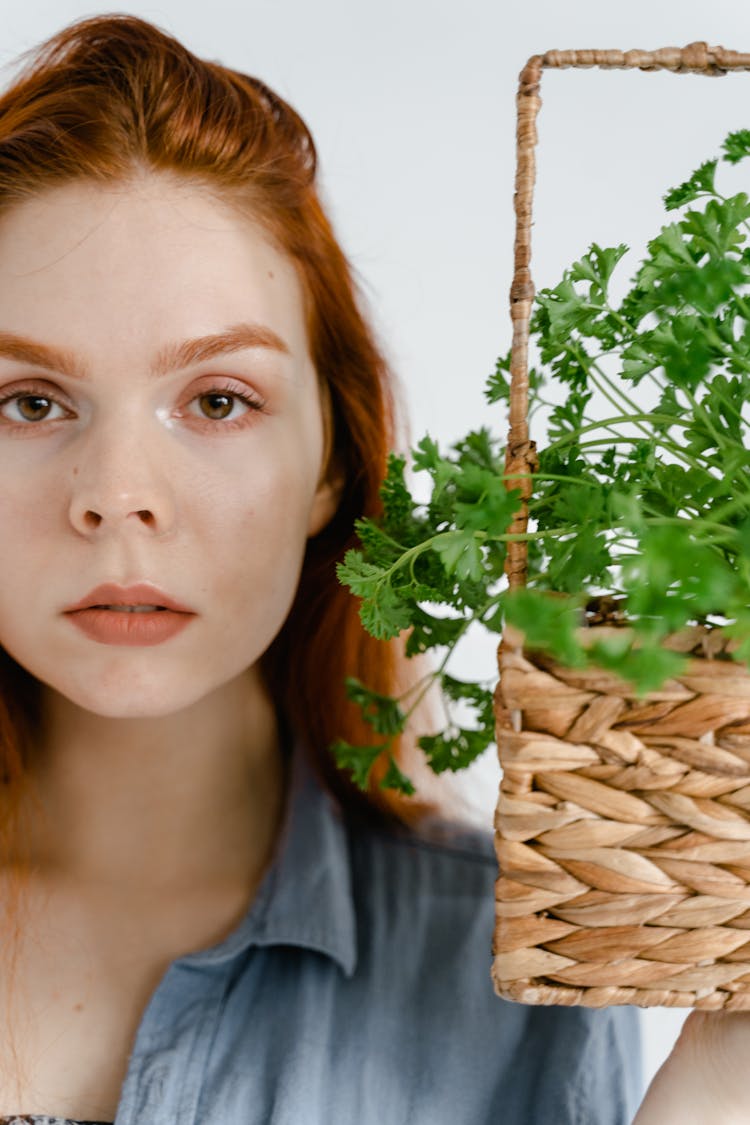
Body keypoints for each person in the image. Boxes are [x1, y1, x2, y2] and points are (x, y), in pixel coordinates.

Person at [0, 13, 643, 1124]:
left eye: (217, 401)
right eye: (29, 402)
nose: (115, 491)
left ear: (332, 468)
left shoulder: (515, 957)